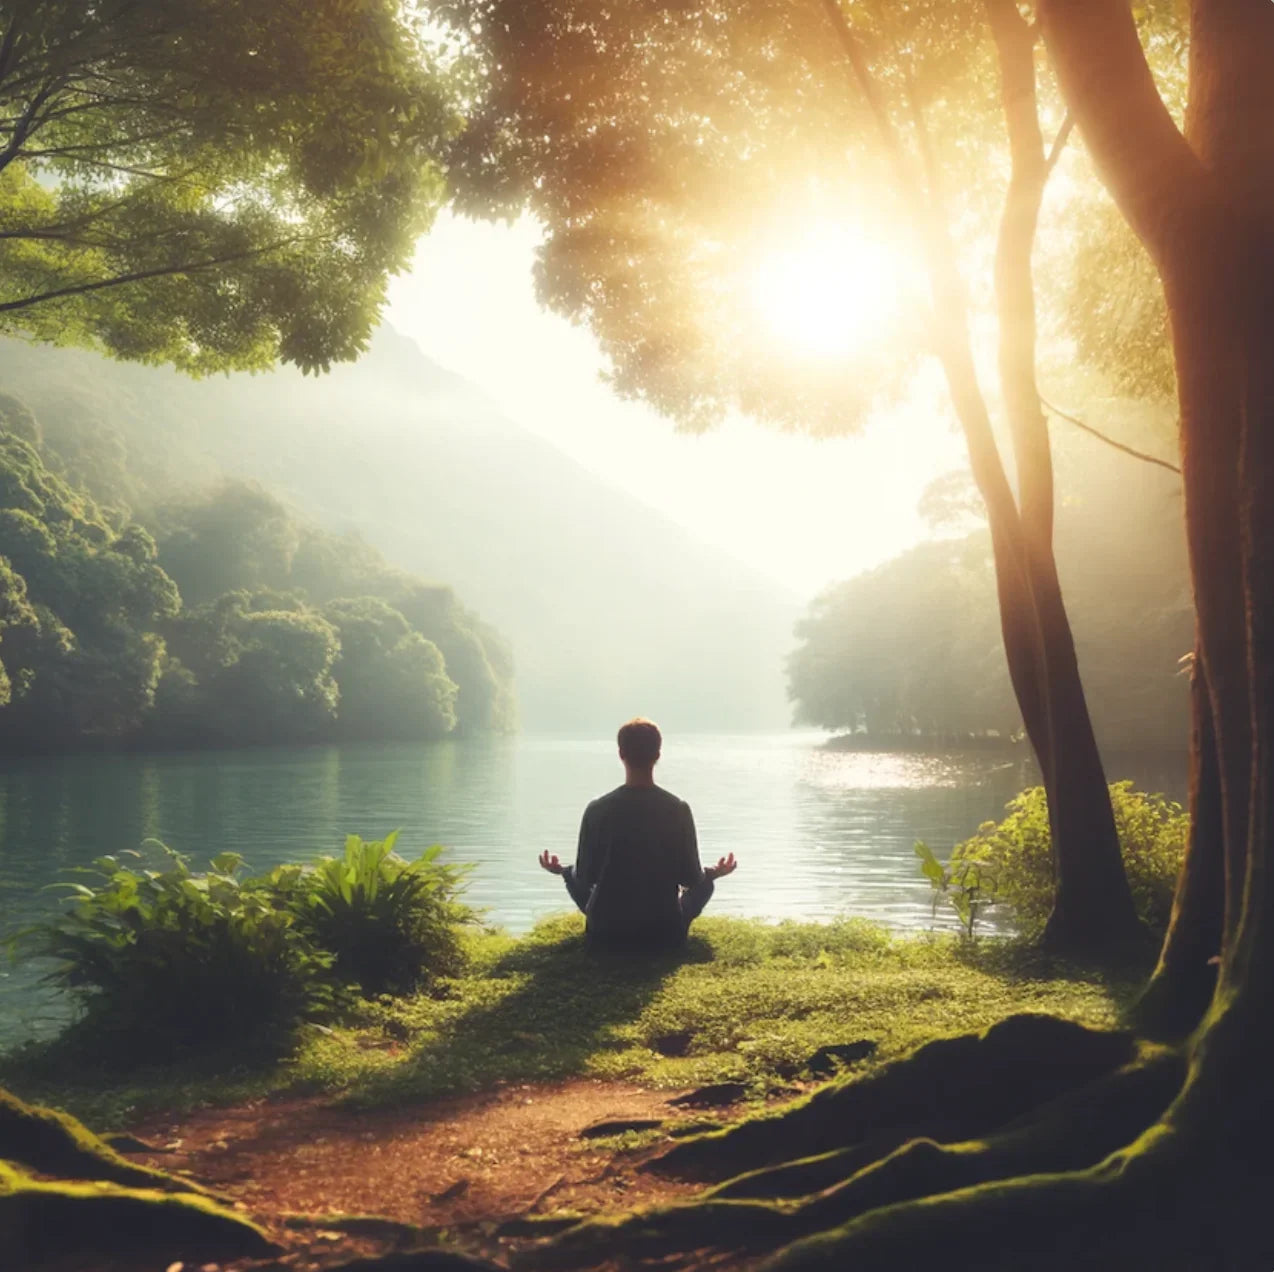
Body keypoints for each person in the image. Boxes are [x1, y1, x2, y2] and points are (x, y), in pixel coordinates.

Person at [538, 717, 737, 951]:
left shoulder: (597, 809)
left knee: (573, 876)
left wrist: (563, 871)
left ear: (621, 754)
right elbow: (691, 879)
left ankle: (565, 874)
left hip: (606, 933)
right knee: (706, 884)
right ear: (658, 755)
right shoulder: (677, 809)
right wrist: (712, 874)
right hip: (664, 932)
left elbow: (585, 878)